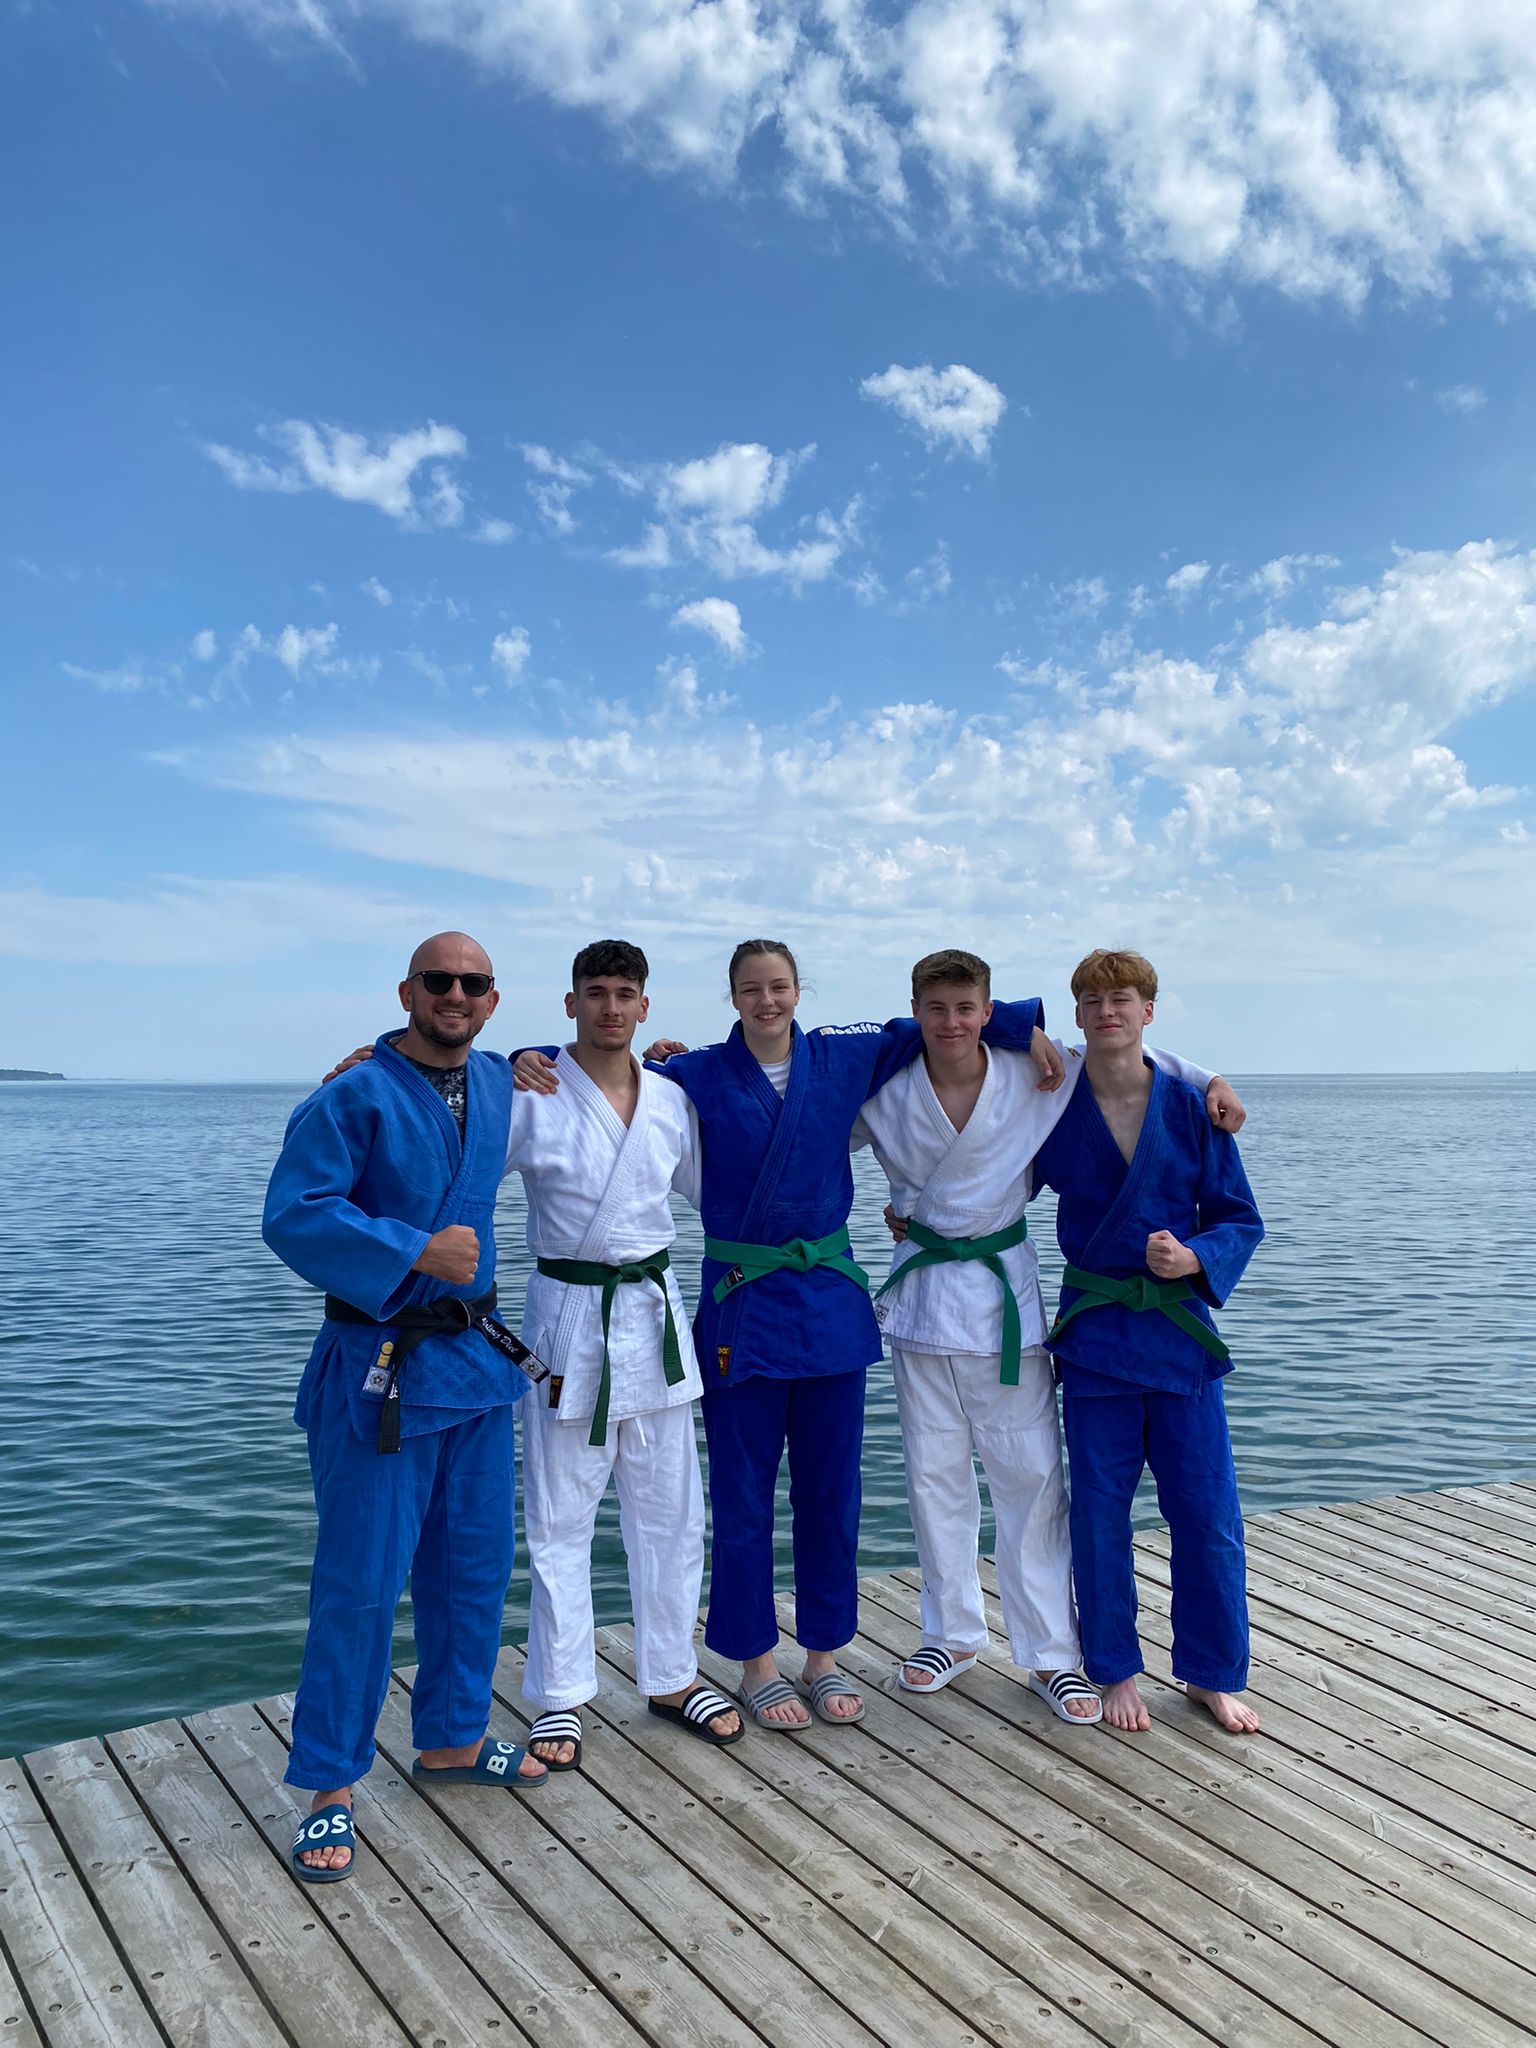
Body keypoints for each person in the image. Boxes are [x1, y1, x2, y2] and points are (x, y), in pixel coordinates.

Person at [517, 943, 1050, 1731]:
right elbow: (582, 1070)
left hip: (829, 1303)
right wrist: (509, 1056)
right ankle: (756, 1661)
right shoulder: (689, 1074)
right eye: (750, 990)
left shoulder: (846, 1053)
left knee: (832, 1495)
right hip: (742, 1305)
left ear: (800, 991)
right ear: (730, 997)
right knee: (739, 1498)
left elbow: (943, 1022)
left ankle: (825, 1655)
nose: (766, 1001)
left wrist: (1022, 1023)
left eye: (779, 987)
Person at [861, 948, 1240, 1723]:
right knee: (989, 1490)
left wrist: (1211, 1083)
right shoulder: (994, 1085)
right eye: (1092, 1001)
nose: (953, 1023)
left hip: (1099, 1318)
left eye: (970, 1009)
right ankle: (1008, 1644)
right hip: (1013, 1313)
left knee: (1080, 1490)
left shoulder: (1113, 1093)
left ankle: (1115, 1661)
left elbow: (1132, 1060)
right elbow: (818, 1104)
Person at [264, 932, 547, 1888]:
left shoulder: (508, 1080)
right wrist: (416, 1250)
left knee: (472, 1572)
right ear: (408, 991)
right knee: (359, 1582)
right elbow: (293, 1213)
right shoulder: (350, 1093)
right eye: (439, 981)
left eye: (472, 983)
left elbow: (587, 1069)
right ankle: (329, 1785)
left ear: (494, 1000)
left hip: (474, 1368)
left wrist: (667, 1053)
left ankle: (453, 1739)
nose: (454, 995)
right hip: (379, 1365)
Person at [506, 940, 742, 1768]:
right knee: (559, 1517)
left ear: (646, 1006)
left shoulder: (673, 1100)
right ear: (570, 1003)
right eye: (596, 993)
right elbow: (454, 1171)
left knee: (672, 1515)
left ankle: (673, 1676)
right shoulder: (528, 1093)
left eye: (626, 994)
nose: (611, 1007)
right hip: (567, 1319)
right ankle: (561, 1697)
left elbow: (725, 1196)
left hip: (655, 1319)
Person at [1032, 949, 1264, 1734]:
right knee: (1099, 1514)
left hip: (1178, 1336)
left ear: (1148, 1012)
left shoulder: (1192, 1107)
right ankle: (1115, 1668)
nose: (1106, 1012)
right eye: (1091, 1001)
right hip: (1096, 1337)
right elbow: (989, 1168)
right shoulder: (1053, 1102)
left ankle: (1210, 1672)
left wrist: (1197, 1257)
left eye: (1121, 999)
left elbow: (1239, 1216)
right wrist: (917, 1210)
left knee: (1206, 1512)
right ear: (1077, 1015)